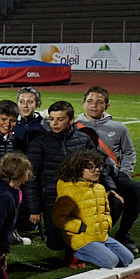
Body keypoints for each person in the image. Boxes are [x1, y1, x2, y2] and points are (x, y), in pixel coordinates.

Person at [24, 101, 117, 255]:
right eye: (51, 119)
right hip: (54, 198)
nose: (54, 123)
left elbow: (98, 164)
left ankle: (95, 240)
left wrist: (110, 188)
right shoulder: (39, 143)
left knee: (115, 202)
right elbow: (32, 177)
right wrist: (34, 209)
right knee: (56, 244)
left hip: (83, 195)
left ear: (71, 120)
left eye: (60, 119)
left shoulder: (84, 139)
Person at [75, 86, 140, 253]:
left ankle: (124, 232)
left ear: (107, 106)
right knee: (114, 202)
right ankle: (99, 236)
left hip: (112, 175)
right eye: (90, 101)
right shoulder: (74, 127)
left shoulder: (119, 128)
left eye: (99, 102)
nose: (94, 105)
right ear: (83, 103)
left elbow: (129, 152)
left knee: (136, 189)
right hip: (85, 178)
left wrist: (125, 172)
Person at [53, 150, 135, 270]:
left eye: (97, 167)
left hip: (102, 236)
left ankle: (98, 251)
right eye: (91, 167)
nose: (97, 170)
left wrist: (107, 224)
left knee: (128, 259)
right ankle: (75, 253)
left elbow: (106, 211)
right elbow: (58, 218)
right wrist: (79, 227)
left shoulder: (100, 188)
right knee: (111, 262)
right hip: (82, 239)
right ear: (78, 170)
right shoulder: (69, 191)